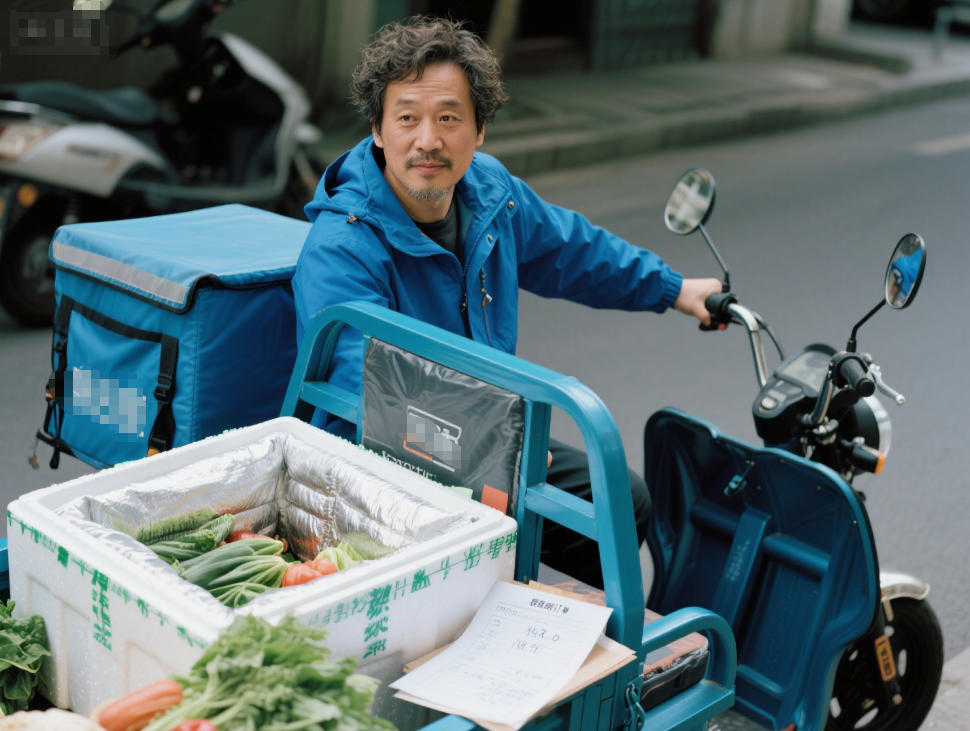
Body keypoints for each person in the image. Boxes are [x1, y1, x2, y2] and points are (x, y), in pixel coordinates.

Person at [292, 15, 722, 588]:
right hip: (379, 474)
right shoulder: (341, 247)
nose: (428, 140)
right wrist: (493, 445)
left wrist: (674, 290)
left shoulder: (490, 195)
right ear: (377, 129)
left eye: (449, 118)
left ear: (479, 130)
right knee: (553, 512)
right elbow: (370, 395)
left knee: (617, 499)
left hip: (483, 440)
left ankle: (561, 629)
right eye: (407, 118)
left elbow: (574, 250)